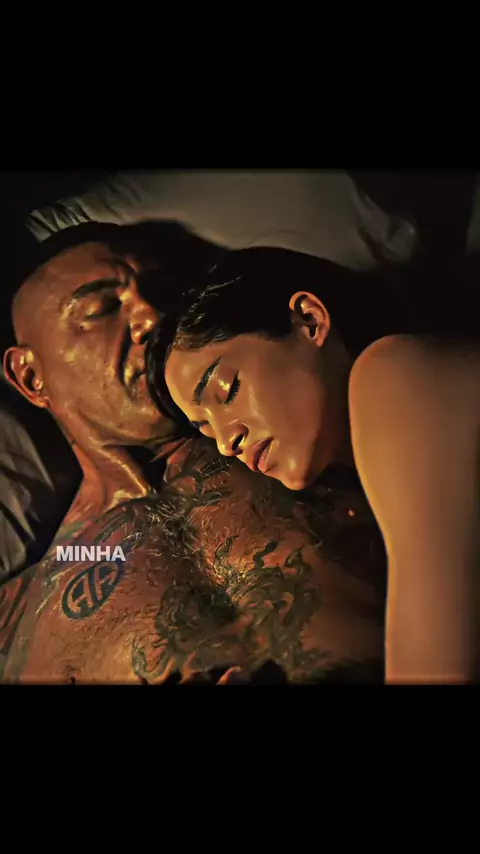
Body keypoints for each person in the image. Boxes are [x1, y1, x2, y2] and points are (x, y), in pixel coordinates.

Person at [0, 223, 387, 684]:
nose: (150, 316)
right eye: (101, 309)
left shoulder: (311, 424)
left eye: (159, 291)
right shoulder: (22, 612)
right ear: (30, 377)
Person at [148, 247, 480, 684]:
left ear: (309, 320)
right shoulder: (367, 498)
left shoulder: (393, 372)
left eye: (226, 391)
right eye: (207, 430)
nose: (226, 443)